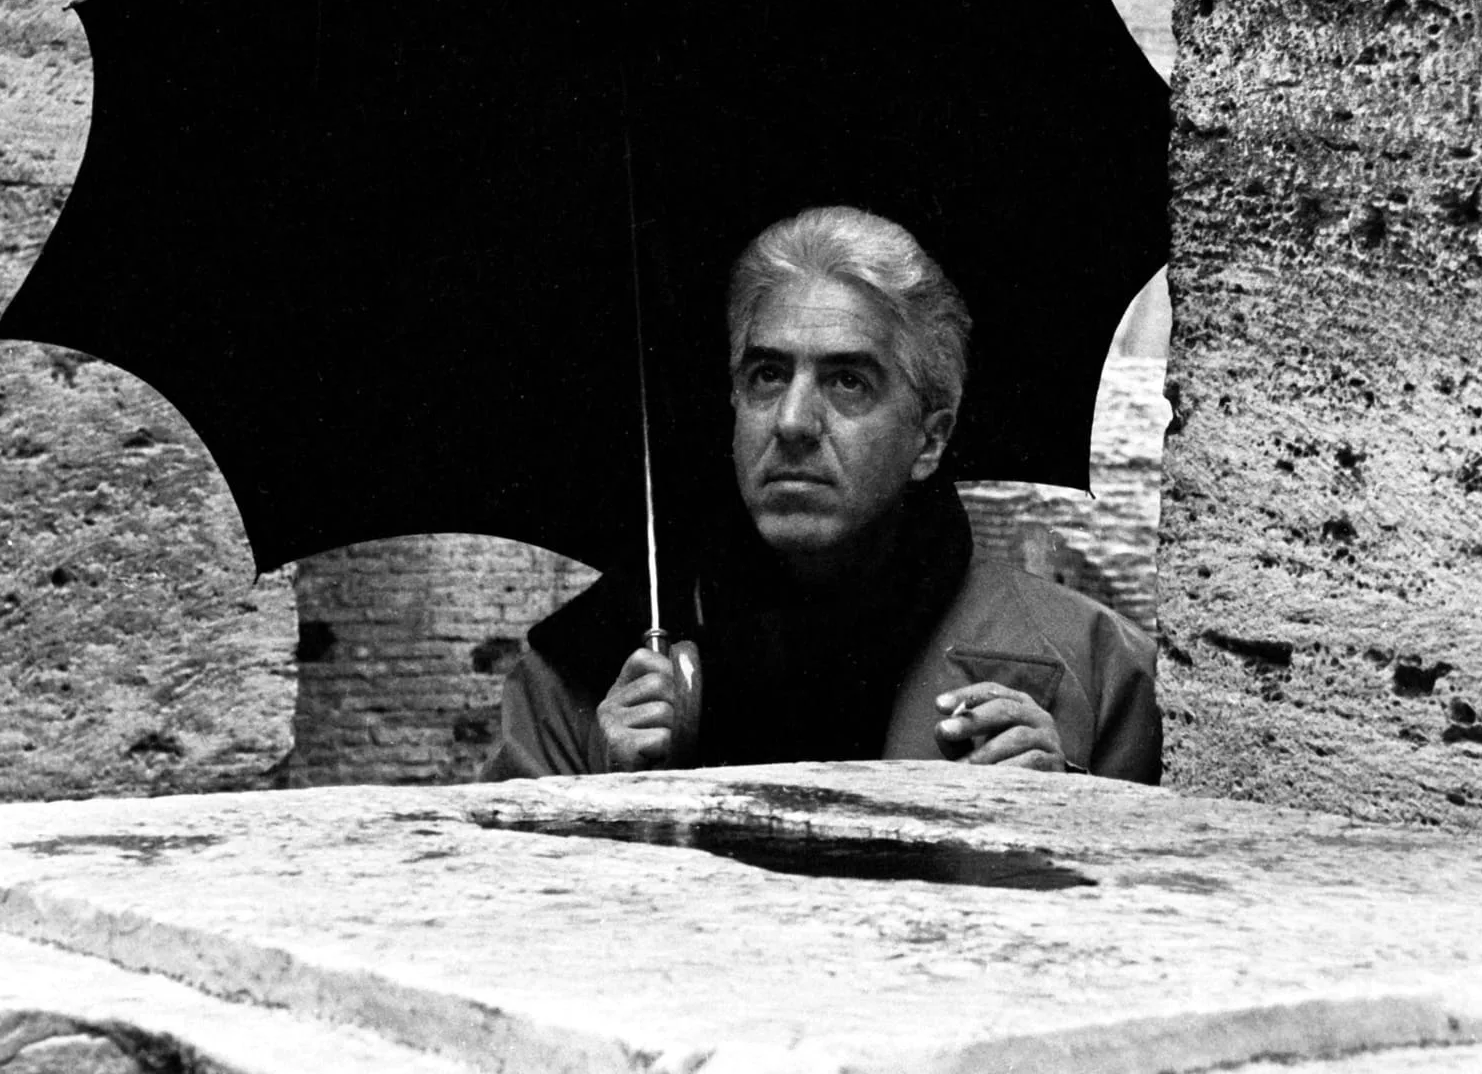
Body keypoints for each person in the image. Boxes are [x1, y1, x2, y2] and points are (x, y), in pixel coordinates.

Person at [488, 207, 1160, 780]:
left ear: (930, 440)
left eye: (847, 382)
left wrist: (1067, 806)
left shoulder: (1093, 669)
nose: (792, 422)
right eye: (767, 374)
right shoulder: (580, 678)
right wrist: (596, 798)